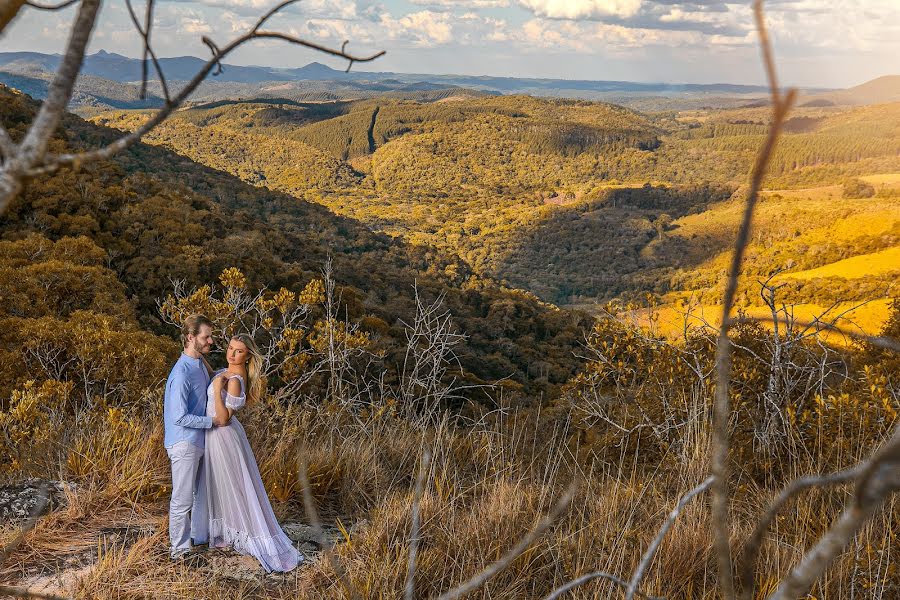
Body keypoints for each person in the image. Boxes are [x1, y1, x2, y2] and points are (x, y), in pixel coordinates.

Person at [203, 333, 303, 572]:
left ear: (247, 356)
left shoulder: (235, 380)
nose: (232, 353)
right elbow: (210, 374)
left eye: (238, 351)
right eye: (230, 347)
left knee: (236, 486)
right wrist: (197, 354)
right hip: (213, 436)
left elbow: (224, 419)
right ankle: (230, 533)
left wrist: (217, 390)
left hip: (223, 436)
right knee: (222, 485)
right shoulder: (223, 373)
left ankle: (252, 535)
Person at [163, 314, 215, 561]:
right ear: (190, 337)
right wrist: (212, 422)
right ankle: (179, 551)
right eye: (206, 337)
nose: (211, 341)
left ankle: (197, 540)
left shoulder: (200, 365)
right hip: (184, 442)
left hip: (198, 441)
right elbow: (179, 417)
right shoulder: (182, 372)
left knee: (199, 495)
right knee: (182, 500)